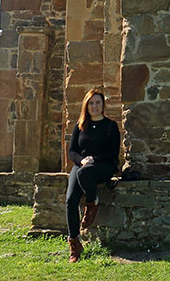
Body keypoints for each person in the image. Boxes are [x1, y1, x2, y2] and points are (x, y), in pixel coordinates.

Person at [65, 86, 120, 262]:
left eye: (97, 103)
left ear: (103, 105)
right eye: (91, 103)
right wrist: (81, 160)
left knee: (85, 173)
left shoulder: (111, 126)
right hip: (81, 166)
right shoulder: (80, 126)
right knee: (70, 200)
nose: (94, 106)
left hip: (102, 166)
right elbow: (72, 151)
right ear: (86, 106)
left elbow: (113, 153)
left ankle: (91, 202)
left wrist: (92, 159)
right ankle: (74, 243)